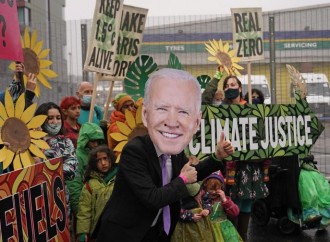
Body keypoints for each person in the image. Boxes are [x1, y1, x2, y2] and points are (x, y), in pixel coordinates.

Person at [97, 68, 234, 242]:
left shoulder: (174, 150)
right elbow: (153, 198)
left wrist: (217, 157)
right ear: (146, 115)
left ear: (195, 122)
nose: (171, 122)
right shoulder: (135, 151)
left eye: (183, 112)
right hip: (126, 233)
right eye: (162, 109)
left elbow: (191, 172)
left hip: (158, 231)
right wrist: (183, 179)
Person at [222, 75, 269, 241]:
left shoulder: (251, 110)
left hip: (249, 167)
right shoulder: (220, 111)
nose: (230, 88)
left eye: (233, 84)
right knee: (230, 205)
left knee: (246, 204)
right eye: (227, 86)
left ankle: (242, 238)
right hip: (230, 168)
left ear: (240, 88)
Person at [34, 102, 78, 233]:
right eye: (50, 118)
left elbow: (71, 169)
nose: (55, 122)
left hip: (58, 198)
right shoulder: (29, 141)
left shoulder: (65, 142)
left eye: (58, 118)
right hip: (33, 198)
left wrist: (43, 163)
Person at [76, 145, 118, 241]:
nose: (103, 163)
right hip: (99, 231)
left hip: (118, 228)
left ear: (111, 159)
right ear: (94, 164)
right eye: (99, 161)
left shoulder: (120, 178)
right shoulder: (90, 185)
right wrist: (83, 232)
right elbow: (84, 211)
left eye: (105, 159)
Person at [202, 171, 242, 242]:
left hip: (224, 231)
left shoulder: (224, 200)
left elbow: (235, 213)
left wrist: (225, 200)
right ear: (205, 186)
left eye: (217, 189)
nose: (214, 192)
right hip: (208, 230)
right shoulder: (202, 199)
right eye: (211, 189)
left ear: (221, 187)